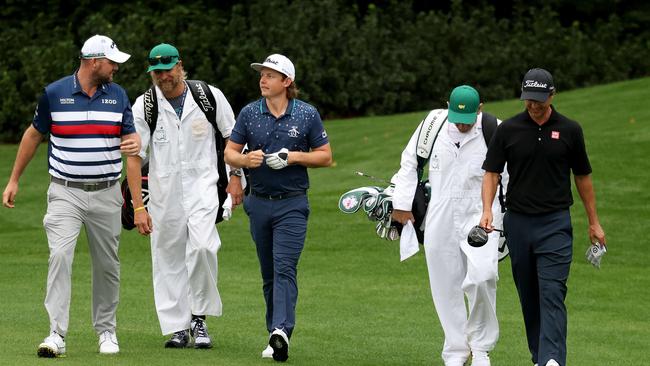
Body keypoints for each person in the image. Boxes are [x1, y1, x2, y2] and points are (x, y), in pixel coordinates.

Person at [1, 35, 138, 357]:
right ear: (93, 61)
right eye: (111, 61)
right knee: (60, 257)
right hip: (65, 192)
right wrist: (13, 180)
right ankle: (56, 334)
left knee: (107, 264)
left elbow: (131, 146)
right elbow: (34, 134)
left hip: (106, 193)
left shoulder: (118, 96)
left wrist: (137, 194)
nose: (116, 67)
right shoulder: (55, 93)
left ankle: (106, 330)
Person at [479, 68, 606, 366]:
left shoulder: (570, 130)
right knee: (529, 295)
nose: (533, 106)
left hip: (555, 224)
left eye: (539, 100)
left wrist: (594, 221)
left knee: (552, 291)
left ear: (552, 95)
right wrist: (487, 211)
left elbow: (583, 177)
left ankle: (552, 360)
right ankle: (540, 357)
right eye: (528, 100)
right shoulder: (508, 129)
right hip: (518, 223)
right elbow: (492, 174)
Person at [126, 43, 242, 349]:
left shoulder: (209, 96)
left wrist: (235, 178)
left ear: (180, 66)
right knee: (168, 259)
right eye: (157, 72)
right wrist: (138, 206)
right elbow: (135, 156)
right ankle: (178, 327)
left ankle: (199, 317)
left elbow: (233, 138)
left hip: (204, 188)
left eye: (168, 70)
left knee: (203, 248)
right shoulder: (145, 105)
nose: (163, 77)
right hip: (164, 195)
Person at [224, 53, 332, 362]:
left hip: (293, 204)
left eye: (270, 75)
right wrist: (245, 160)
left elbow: (324, 155)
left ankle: (282, 330)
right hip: (258, 204)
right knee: (268, 273)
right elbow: (230, 152)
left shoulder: (306, 114)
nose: (263, 79)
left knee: (285, 267)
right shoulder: (248, 113)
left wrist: (292, 157)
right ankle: (275, 334)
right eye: (262, 74)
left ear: (287, 82)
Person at [391, 85, 505, 366]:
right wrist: (402, 205)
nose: (462, 124)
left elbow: (509, 174)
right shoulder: (433, 124)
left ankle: (480, 348)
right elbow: (410, 162)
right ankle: (456, 351)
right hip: (440, 211)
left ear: (480, 109)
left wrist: (508, 216)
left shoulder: (495, 129)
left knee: (483, 276)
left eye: (467, 118)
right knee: (444, 283)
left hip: (482, 214)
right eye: (457, 117)